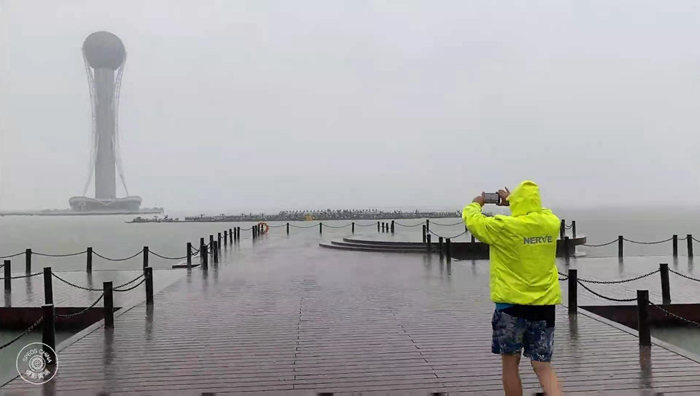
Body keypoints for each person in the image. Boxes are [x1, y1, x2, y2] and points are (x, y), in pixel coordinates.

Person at [462, 180, 562, 396]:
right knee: (543, 366)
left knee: (510, 364)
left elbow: (474, 222)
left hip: (510, 306)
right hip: (544, 305)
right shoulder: (551, 223)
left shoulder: (505, 227)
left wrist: (476, 203)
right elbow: (539, 211)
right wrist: (515, 202)